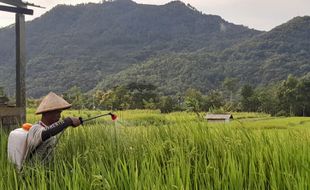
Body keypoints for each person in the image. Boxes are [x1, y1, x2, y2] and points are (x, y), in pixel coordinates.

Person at [24, 92, 81, 165]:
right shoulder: (35, 128)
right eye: (57, 112)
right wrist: (68, 121)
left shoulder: (52, 130)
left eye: (60, 113)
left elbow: (53, 129)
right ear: (47, 113)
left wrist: (68, 124)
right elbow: (45, 133)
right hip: (33, 172)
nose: (59, 116)